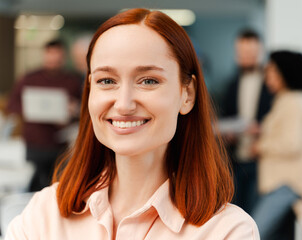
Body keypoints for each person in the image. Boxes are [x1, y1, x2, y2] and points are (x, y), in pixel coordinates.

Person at [5, 8, 259, 239]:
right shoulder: (44, 214)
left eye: (148, 80)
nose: (124, 104)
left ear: (187, 94)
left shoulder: (226, 230)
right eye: (106, 81)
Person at [251, 50, 302, 240]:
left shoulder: (293, 102)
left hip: (285, 184)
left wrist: (260, 146)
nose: (267, 77)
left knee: (253, 233)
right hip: (279, 182)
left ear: (285, 73)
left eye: (271, 71)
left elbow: (290, 143)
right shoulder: (285, 99)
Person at [6, 39, 82, 191]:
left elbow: (84, 109)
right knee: (35, 183)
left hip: (60, 143)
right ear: (44, 55)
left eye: (57, 55)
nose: (53, 59)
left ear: (63, 56)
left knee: (57, 184)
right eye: (50, 54)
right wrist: (32, 110)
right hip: (35, 141)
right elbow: (12, 105)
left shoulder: (73, 81)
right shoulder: (30, 78)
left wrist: (73, 111)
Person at [220, 29, 273, 212]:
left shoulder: (273, 86)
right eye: (243, 53)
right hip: (235, 159)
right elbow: (225, 117)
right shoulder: (230, 84)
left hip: (263, 159)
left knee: (256, 213)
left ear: (261, 52)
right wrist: (227, 134)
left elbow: (278, 121)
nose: (247, 58)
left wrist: (262, 130)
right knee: (234, 210)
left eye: (251, 53)